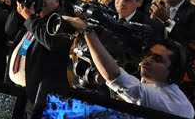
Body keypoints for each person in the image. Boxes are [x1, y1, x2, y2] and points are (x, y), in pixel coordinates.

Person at [62, 17, 194, 118]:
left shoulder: (166, 101)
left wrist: (87, 30)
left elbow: (113, 75)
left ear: (173, 71)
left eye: (157, 59)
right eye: (149, 55)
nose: (147, 60)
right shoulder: (158, 87)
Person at [5, 0, 72, 111]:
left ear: (57, 1)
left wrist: (30, 18)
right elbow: (9, 30)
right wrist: (19, 7)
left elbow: (51, 43)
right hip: (17, 91)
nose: (40, 1)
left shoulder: (63, 20)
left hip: (38, 97)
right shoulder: (33, 18)